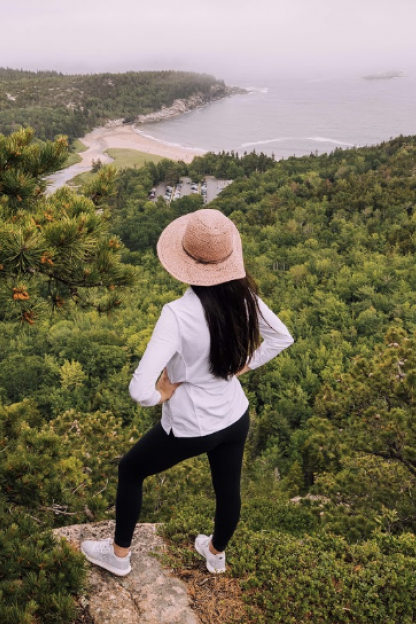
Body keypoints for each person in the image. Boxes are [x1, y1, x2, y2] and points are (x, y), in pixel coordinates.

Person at [81, 208, 294, 576]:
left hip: (191, 427)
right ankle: (215, 553)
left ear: (185, 261)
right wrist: (245, 365)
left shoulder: (177, 314)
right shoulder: (245, 298)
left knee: (131, 470)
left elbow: (139, 388)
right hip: (234, 416)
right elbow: (281, 337)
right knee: (228, 491)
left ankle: (117, 557)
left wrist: (160, 395)